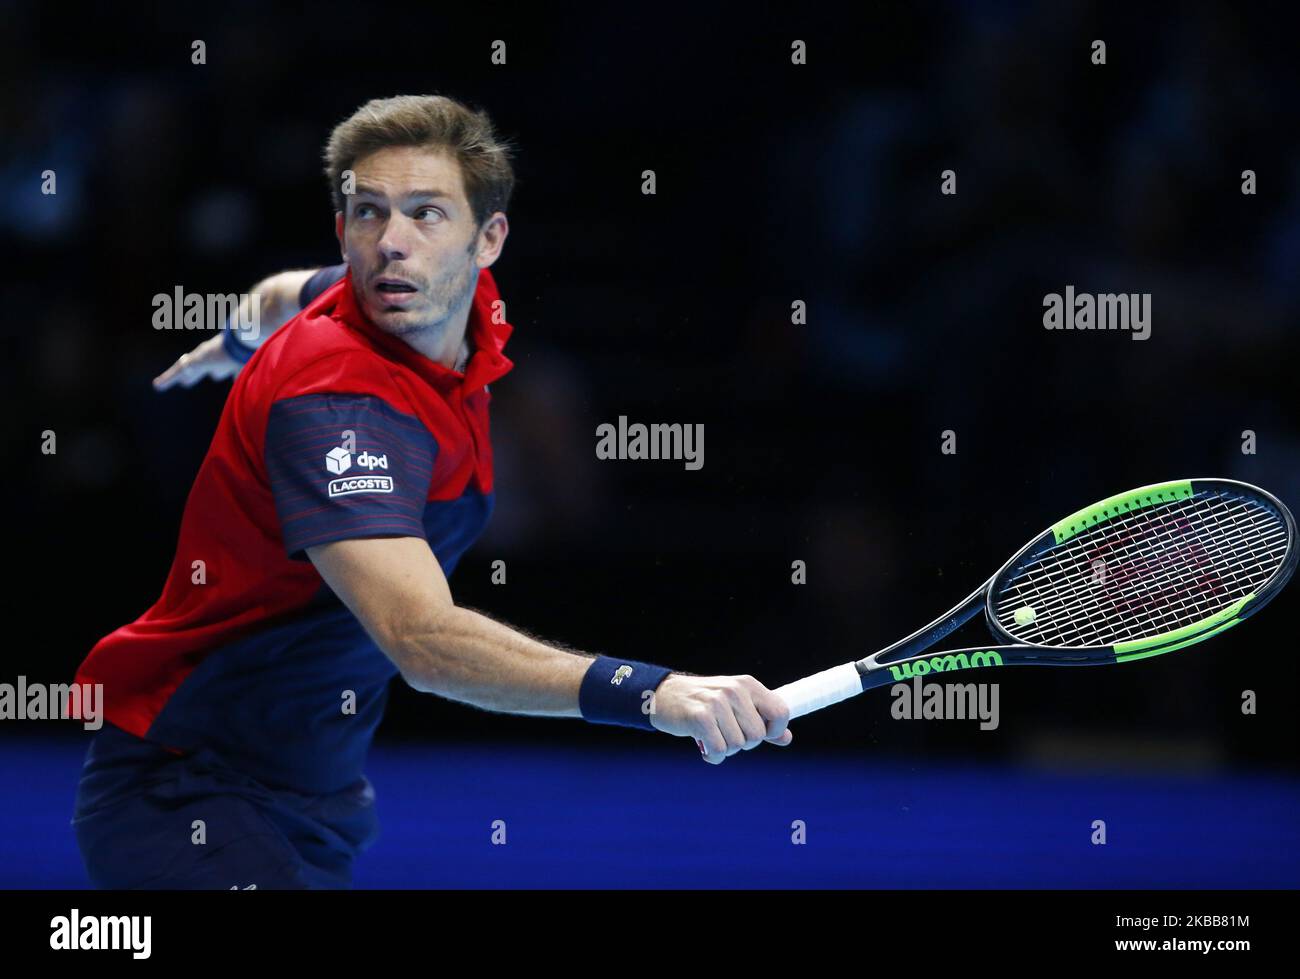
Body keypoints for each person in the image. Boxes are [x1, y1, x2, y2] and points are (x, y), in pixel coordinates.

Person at [71, 94, 792, 889]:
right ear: (343, 227)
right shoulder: (334, 405)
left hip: (318, 795)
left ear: (489, 240)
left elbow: (287, 291)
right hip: (185, 787)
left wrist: (232, 340)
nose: (390, 243)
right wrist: (655, 693)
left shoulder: (444, 305)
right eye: (367, 214)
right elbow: (423, 642)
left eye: (425, 214)